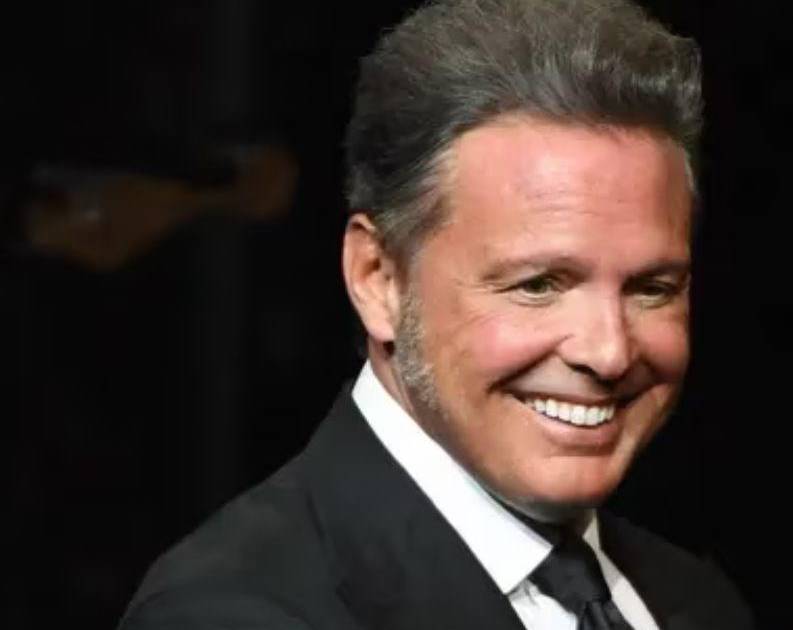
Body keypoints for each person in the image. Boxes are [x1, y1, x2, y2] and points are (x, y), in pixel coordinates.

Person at [120, 1, 754, 628]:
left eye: (652, 289)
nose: (609, 351)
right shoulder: (232, 611)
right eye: (538, 285)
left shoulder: (693, 603)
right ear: (378, 279)